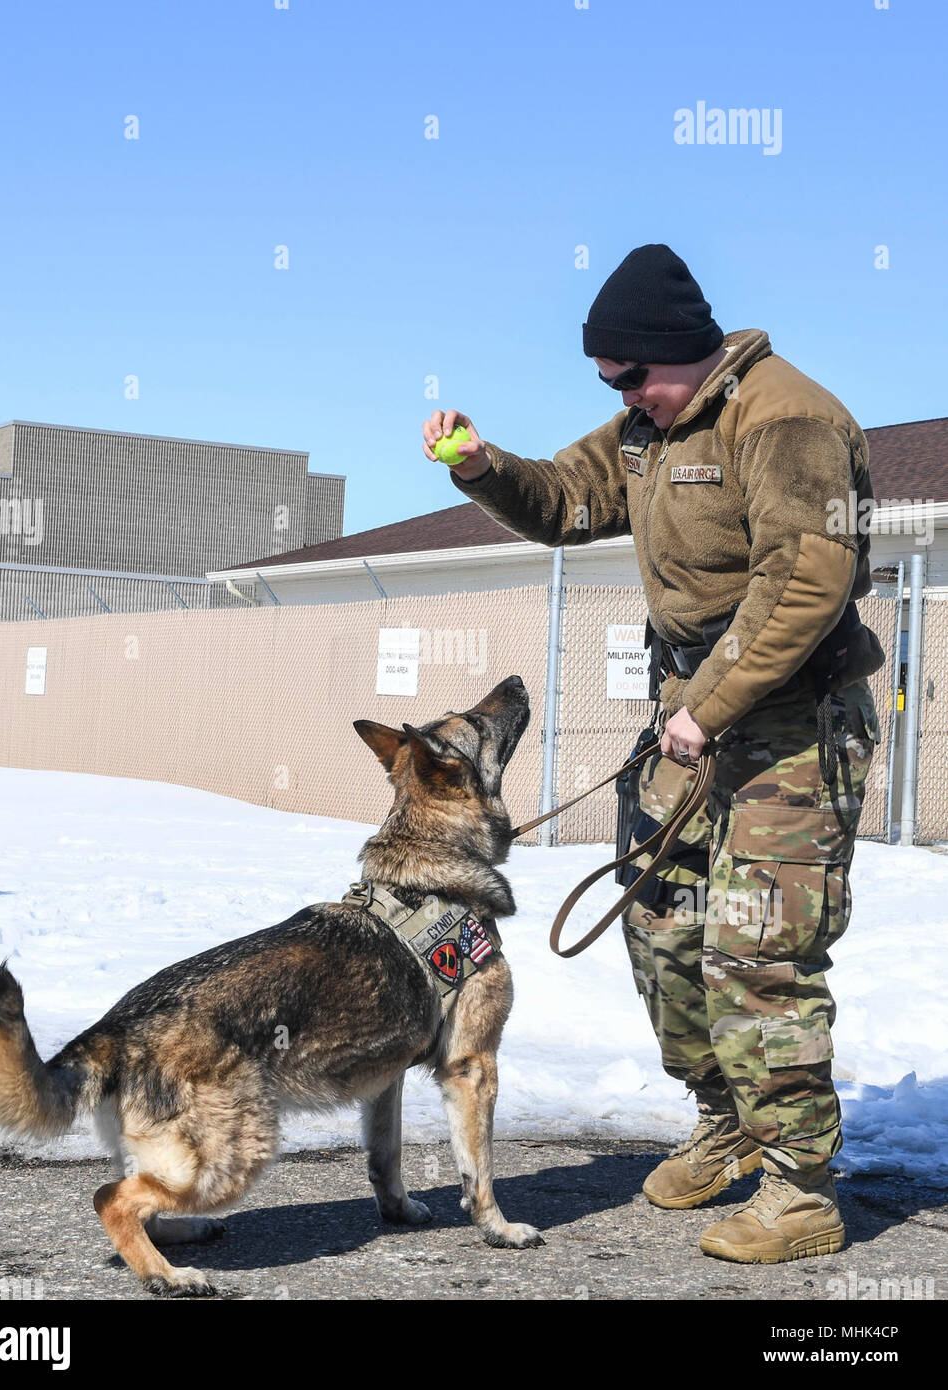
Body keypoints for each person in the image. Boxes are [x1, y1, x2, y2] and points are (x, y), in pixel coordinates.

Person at [421, 244, 885, 1264]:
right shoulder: (650, 426)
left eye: (631, 377)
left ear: (680, 352)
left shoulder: (785, 418)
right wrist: (483, 468)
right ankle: (724, 1121)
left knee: (760, 947)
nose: (622, 397)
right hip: (693, 718)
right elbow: (564, 501)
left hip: (791, 724)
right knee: (663, 926)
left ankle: (802, 1188)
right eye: (608, 383)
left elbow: (805, 580)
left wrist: (708, 707)